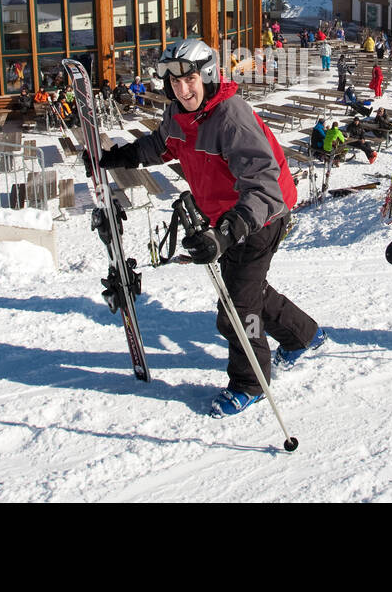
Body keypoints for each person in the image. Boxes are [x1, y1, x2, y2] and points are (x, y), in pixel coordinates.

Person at [94, 38, 324, 415]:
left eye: (189, 80)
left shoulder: (231, 118)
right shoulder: (180, 115)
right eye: (174, 83)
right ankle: (302, 334)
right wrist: (122, 156)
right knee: (248, 290)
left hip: (260, 215)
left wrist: (226, 233)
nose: (182, 90)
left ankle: (251, 381)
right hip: (226, 218)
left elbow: (263, 186)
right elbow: (162, 144)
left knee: (236, 306)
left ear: (207, 75)